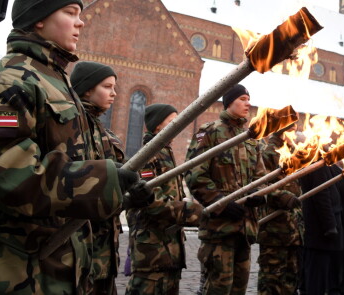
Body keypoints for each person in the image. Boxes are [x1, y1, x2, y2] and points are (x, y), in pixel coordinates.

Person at [0, 0, 145, 293]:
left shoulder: (52, 80)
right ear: (39, 18)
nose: (81, 22)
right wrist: (101, 181)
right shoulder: (11, 80)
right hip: (10, 265)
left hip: (50, 262)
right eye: (70, 12)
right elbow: (1, 171)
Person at [185, 84, 267, 295]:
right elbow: (195, 174)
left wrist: (258, 195)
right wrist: (221, 203)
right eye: (241, 98)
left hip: (244, 229)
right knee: (217, 289)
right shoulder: (210, 132)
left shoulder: (251, 139)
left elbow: (260, 176)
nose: (247, 103)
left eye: (249, 98)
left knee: (239, 289)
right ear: (229, 102)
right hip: (219, 229)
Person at [126, 104, 203, 295]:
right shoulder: (148, 155)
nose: (177, 125)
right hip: (152, 249)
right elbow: (152, 201)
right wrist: (192, 212)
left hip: (169, 248)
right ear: (158, 126)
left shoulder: (164, 152)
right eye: (172, 121)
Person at [71, 60, 127, 294]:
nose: (114, 93)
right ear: (87, 88)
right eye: (107, 86)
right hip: (79, 249)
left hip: (106, 251)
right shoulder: (71, 125)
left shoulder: (106, 134)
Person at [257, 127, 303, 295]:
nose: (295, 133)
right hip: (274, 229)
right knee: (272, 280)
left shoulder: (293, 153)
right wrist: (281, 197)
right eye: (292, 129)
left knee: (290, 279)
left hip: (293, 228)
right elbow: (259, 184)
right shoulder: (268, 152)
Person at [301, 163, 344, 295]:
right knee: (317, 276)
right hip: (321, 232)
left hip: (324, 229)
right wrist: (330, 225)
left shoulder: (326, 164)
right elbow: (322, 196)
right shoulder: (317, 165)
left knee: (323, 274)